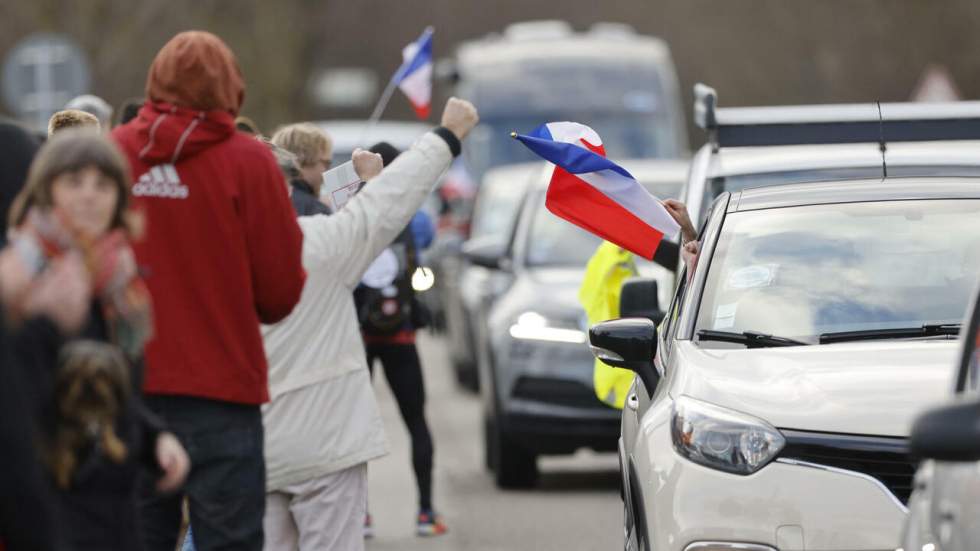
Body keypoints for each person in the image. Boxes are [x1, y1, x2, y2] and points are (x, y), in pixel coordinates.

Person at [112, 31, 306, 551]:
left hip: (130, 390)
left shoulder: (113, 154)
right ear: (232, 88)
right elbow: (280, 294)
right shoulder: (250, 162)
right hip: (223, 394)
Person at [260, 97, 477, 550]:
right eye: (320, 164)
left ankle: (401, 511)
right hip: (329, 439)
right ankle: (424, 510)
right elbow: (387, 211)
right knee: (414, 417)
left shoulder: (218, 251)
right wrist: (446, 135)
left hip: (257, 443)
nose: (322, 173)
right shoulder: (322, 235)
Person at [3, 130, 190, 551]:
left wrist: (153, 437)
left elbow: (111, 388)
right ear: (46, 190)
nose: (89, 196)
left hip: (114, 513)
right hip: (47, 517)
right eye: (73, 181)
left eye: (102, 184)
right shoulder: (23, 279)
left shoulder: (116, 283)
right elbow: (19, 413)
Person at [357, 141, 444, 537]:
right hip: (401, 333)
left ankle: (361, 516)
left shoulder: (350, 212)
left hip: (357, 333)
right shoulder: (413, 217)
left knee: (353, 427)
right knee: (416, 421)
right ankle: (425, 513)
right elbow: (424, 241)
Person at [271, 122, 333, 216]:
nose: (328, 170)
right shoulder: (314, 210)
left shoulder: (266, 202)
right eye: (326, 163)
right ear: (302, 158)